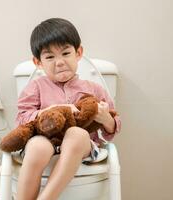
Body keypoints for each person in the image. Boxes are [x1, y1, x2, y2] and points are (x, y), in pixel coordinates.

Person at [15, 18, 121, 200]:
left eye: (65, 53)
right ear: (38, 62)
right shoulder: (35, 87)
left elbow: (112, 129)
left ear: (78, 52)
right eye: (50, 57)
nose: (60, 62)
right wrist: (48, 112)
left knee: (77, 134)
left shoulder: (94, 89)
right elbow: (21, 120)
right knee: (37, 146)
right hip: (44, 141)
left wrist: (106, 119)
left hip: (81, 148)